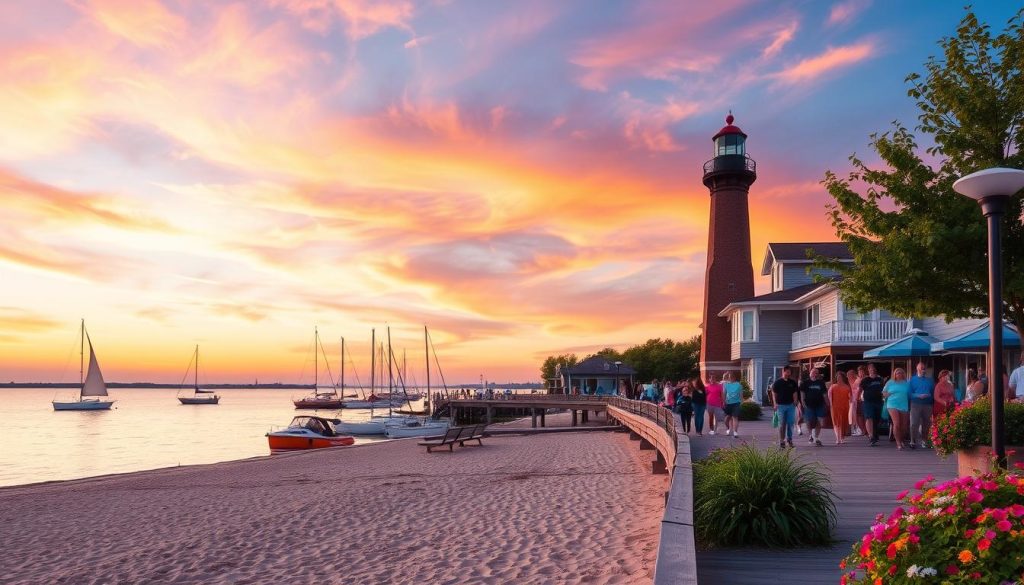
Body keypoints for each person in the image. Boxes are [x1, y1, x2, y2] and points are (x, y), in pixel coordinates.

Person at [883, 368, 912, 450]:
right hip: (892, 404)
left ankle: (901, 440)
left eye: (901, 373)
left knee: (904, 426)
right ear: (894, 374)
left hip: (903, 404)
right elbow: (884, 392)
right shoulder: (890, 382)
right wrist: (887, 394)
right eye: (897, 373)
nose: (899, 374)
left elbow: (910, 394)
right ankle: (898, 443)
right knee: (897, 423)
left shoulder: (906, 383)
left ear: (903, 374)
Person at [799, 368, 829, 447]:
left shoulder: (821, 383)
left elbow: (825, 394)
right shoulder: (805, 383)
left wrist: (828, 403)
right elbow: (802, 394)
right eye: (813, 372)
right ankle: (810, 435)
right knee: (809, 420)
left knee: (819, 421)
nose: (815, 374)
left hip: (820, 404)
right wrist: (803, 403)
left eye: (816, 373)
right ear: (810, 373)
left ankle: (816, 437)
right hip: (808, 405)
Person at [908, 362, 935, 449]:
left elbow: (933, 392)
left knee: (926, 424)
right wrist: (918, 395)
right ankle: (913, 441)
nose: (923, 370)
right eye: (921, 368)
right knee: (914, 423)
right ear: (917, 369)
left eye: (924, 368)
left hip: (928, 404)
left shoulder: (930, 380)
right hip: (915, 404)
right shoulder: (912, 380)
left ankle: (924, 441)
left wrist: (929, 396)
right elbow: (909, 393)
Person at [771, 366, 799, 448]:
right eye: (786, 371)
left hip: (791, 405)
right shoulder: (777, 383)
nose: (788, 373)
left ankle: (789, 439)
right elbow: (774, 394)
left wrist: (795, 400)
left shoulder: (793, 382)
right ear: (783, 372)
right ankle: (781, 441)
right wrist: (775, 404)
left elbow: (795, 392)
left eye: (789, 372)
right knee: (781, 424)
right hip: (780, 406)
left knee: (790, 423)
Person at [861, 363, 885, 446]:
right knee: (869, 417)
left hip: (878, 401)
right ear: (868, 370)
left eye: (873, 368)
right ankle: (871, 437)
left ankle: (875, 434)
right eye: (870, 368)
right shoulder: (865, 380)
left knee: (877, 419)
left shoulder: (880, 379)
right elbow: (860, 389)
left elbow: (884, 389)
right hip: (868, 401)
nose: (872, 369)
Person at [828, 371, 851, 444]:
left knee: (843, 422)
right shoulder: (833, 386)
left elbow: (851, 397)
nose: (839, 378)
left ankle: (842, 438)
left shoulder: (847, 387)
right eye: (838, 377)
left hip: (845, 407)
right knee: (836, 422)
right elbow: (829, 397)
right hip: (835, 407)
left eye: (840, 377)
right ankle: (837, 438)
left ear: (843, 378)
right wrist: (831, 404)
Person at [722, 372, 744, 438]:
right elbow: (724, 393)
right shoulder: (726, 385)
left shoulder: (739, 385)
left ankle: (735, 432)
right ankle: (728, 429)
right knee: (727, 419)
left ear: (734, 377)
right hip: (728, 403)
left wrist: (741, 402)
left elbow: (741, 394)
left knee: (735, 417)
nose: (730, 378)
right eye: (729, 377)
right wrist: (723, 401)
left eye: (731, 376)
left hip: (736, 403)